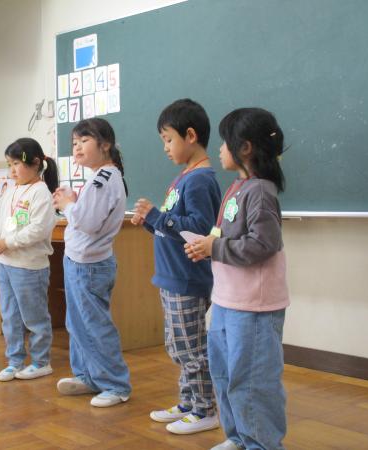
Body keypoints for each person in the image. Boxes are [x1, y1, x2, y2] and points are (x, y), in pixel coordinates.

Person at [185, 108, 289, 450]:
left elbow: (263, 244)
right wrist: (206, 246)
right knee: (225, 374)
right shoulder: (237, 186)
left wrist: (215, 247)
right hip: (227, 300)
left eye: (224, 142)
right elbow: (224, 235)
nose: (219, 149)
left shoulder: (260, 191)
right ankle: (240, 437)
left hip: (254, 306)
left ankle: (262, 443)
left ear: (244, 147)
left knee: (253, 381)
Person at [131, 99, 221, 434]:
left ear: (191, 136)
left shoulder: (199, 180)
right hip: (172, 276)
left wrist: (158, 216)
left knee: (191, 348)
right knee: (178, 345)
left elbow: (198, 227)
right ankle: (188, 402)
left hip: (187, 278)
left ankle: (205, 409)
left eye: (168, 139)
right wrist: (150, 221)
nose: (165, 148)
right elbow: (172, 228)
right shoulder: (184, 177)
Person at [52, 118, 131, 408]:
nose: (77, 147)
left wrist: (67, 205)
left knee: (94, 325)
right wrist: (73, 202)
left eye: (84, 141)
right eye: (74, 142)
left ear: (105, 144)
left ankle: (115, 384)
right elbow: (87, 216)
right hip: (80, 262)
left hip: (89, 266)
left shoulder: (103, 179)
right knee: (78, 324)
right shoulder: (100, 177)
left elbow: (87, 222)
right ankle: (88, 376)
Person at [0, 138, 58, 382]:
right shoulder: (10, 190)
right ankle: (14, 361)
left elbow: (37, 230)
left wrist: (7, 243)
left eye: (16, 164)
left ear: (35, 163)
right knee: (10, 316)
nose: (12, 170)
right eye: (9, 164)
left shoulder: (41, 193)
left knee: (34, 317)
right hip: (6, 263)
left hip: (29, 267)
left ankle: (41, 362)